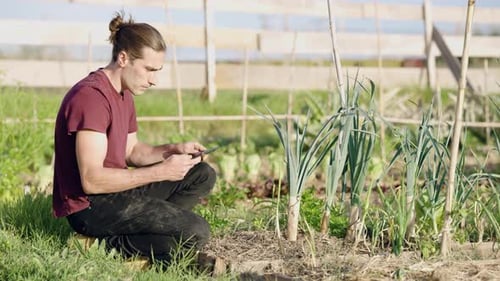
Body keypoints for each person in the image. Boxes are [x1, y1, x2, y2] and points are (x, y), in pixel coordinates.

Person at [52, 11, 216, 266]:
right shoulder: (91, 99)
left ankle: (152, 238)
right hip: (92, 207)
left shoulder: (123, 92)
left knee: (203, 173)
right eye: (149, 70)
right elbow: (92, 180)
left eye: (157, 71)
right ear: (123, 58)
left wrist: (173, 150)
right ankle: (99, 243)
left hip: (118, 191)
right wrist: (161, 172)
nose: (154, 80)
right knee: (196, 230)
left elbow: (133, 151)